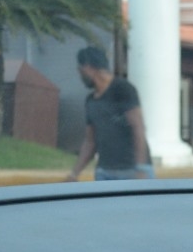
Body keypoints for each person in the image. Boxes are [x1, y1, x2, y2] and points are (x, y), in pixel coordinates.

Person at [66, 46, 154, 181]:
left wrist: (141, 168)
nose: (80, 75)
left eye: (80, 70)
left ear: (88, 67)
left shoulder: (123, 89)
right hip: (105, 171)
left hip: (131, 170)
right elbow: (90, 141)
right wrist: (74, 174)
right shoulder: (90, 100)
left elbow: (138, 128)